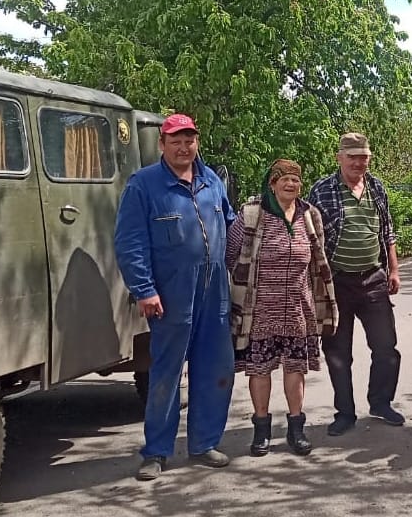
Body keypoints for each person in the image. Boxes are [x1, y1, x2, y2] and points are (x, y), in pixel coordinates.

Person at [114, 113, 236, 481]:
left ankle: (204, 444)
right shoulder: (144, 185)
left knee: (216, 368)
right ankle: (156, 452)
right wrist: (144, 289)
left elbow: (230, 224)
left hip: (214, 290)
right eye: (176, 140)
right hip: (170, 293)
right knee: (166, 373)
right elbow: (129, 242)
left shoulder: (211, 179)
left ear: (197, 142)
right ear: (162, 144)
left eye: (189, 140)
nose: (184, 147)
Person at [226, 159, 339, 457]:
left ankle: (296, 429)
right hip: (260, 310)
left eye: (296, 180)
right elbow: (231, 255)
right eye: (284, 179)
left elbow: (318, 260)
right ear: (272, 183)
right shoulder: (251, 215)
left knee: (295, 368)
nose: (291, 184)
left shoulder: (310, 215)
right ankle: (261, 430)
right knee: (260, 370)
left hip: (298, 308)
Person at [307, 132, 405, 436]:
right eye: (352, 157)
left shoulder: (376, 187)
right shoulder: (322, 190)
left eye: (363, 157)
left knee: (386, 347)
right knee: (338, 352)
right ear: (339, 158)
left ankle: (380, 402)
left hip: (373, 278)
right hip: (337, 282)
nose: (358, 163)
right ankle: (345, 412)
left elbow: (387, 231)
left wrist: (394, 270)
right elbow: (311, 238)